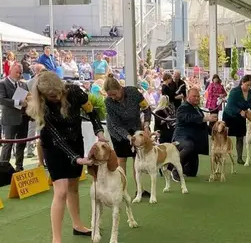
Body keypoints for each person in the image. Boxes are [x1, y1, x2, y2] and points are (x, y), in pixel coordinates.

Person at [26, 71, 106, 243]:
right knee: (61, 190)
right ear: (42, 94)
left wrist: (99, 131)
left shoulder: (75, 92)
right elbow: (57, 139)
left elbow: (92, 111)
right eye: (51, 95)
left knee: (73, 186)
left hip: (76, 140)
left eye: (57, 93)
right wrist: (77, 158)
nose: (55, 97)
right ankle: (56, 239)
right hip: (54, 147)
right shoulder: (44, 107)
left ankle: (77, 225)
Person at [103, 74, 152, 195]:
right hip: (117, 131)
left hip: (135, 126)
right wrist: (128, 137)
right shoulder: (108, 102)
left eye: (114, 94)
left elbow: (146, 109)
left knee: (137, 159)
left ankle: (140, 190)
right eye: (110, 95)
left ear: (120, 88)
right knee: (122, 159)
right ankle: (121, 190)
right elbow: (116, 124)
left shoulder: (133, 92)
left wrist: (146, 126)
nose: (113, 98)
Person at [171, 88, 216, 181]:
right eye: (194, 96)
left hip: (193, 140)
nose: (197, 98)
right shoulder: (183, 107)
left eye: (198, 96)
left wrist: (215, 132)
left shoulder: (197, 108)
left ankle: (171, 166)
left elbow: (202, 125)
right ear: (188, 97)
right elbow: (189, 118)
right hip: (181, 138)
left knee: (192, 172)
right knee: (189, 146)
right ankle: (175, 170)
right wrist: (205, 118)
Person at [0, 64, 30, 171]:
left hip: (23, 119)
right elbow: (2, 100)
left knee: (22, 143)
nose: (19, 74)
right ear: (11, 70)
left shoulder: (23, 85)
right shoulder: (2, 84)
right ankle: (3, 169)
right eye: (17, 72)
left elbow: (28, 99)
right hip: (10, 119)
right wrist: (19, 102)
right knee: (8, 144)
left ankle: (19, 167)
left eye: (20, 73)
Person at [222, 75, 251, 164]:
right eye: (247, 85)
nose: (249, 87)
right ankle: (222, 155)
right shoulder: (234, 91)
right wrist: (240, 111)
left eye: (250, 85)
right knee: (224, 136)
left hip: (241, 117)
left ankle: (239, 158)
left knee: (240, 137)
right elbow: (230, 105)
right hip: (229, 115)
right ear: (242, 82)